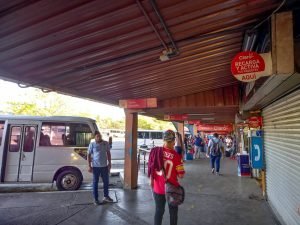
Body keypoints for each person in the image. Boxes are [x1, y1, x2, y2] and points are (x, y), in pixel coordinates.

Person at [150, 130, 185, 225]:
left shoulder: (155, 152)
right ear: (173, 140)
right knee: (173, 213)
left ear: (163, 139)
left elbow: (152, 171)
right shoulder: (176, 156)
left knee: (159, 211)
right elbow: (181, 175)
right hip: (172, 189)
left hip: (158, 189)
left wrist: (152, 183)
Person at [87, 131, 113, 205]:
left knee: (106, 182)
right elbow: (88, 155)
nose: (99, 137)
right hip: (95, 167)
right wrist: (89, 165)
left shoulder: (106, 143)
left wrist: (110, 163)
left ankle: (106, 196)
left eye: (100, 136)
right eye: (97, 136)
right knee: (95, 183)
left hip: (104, 166)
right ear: (95, 137)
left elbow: (108, 153)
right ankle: (95, 199)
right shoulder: (92, 144)